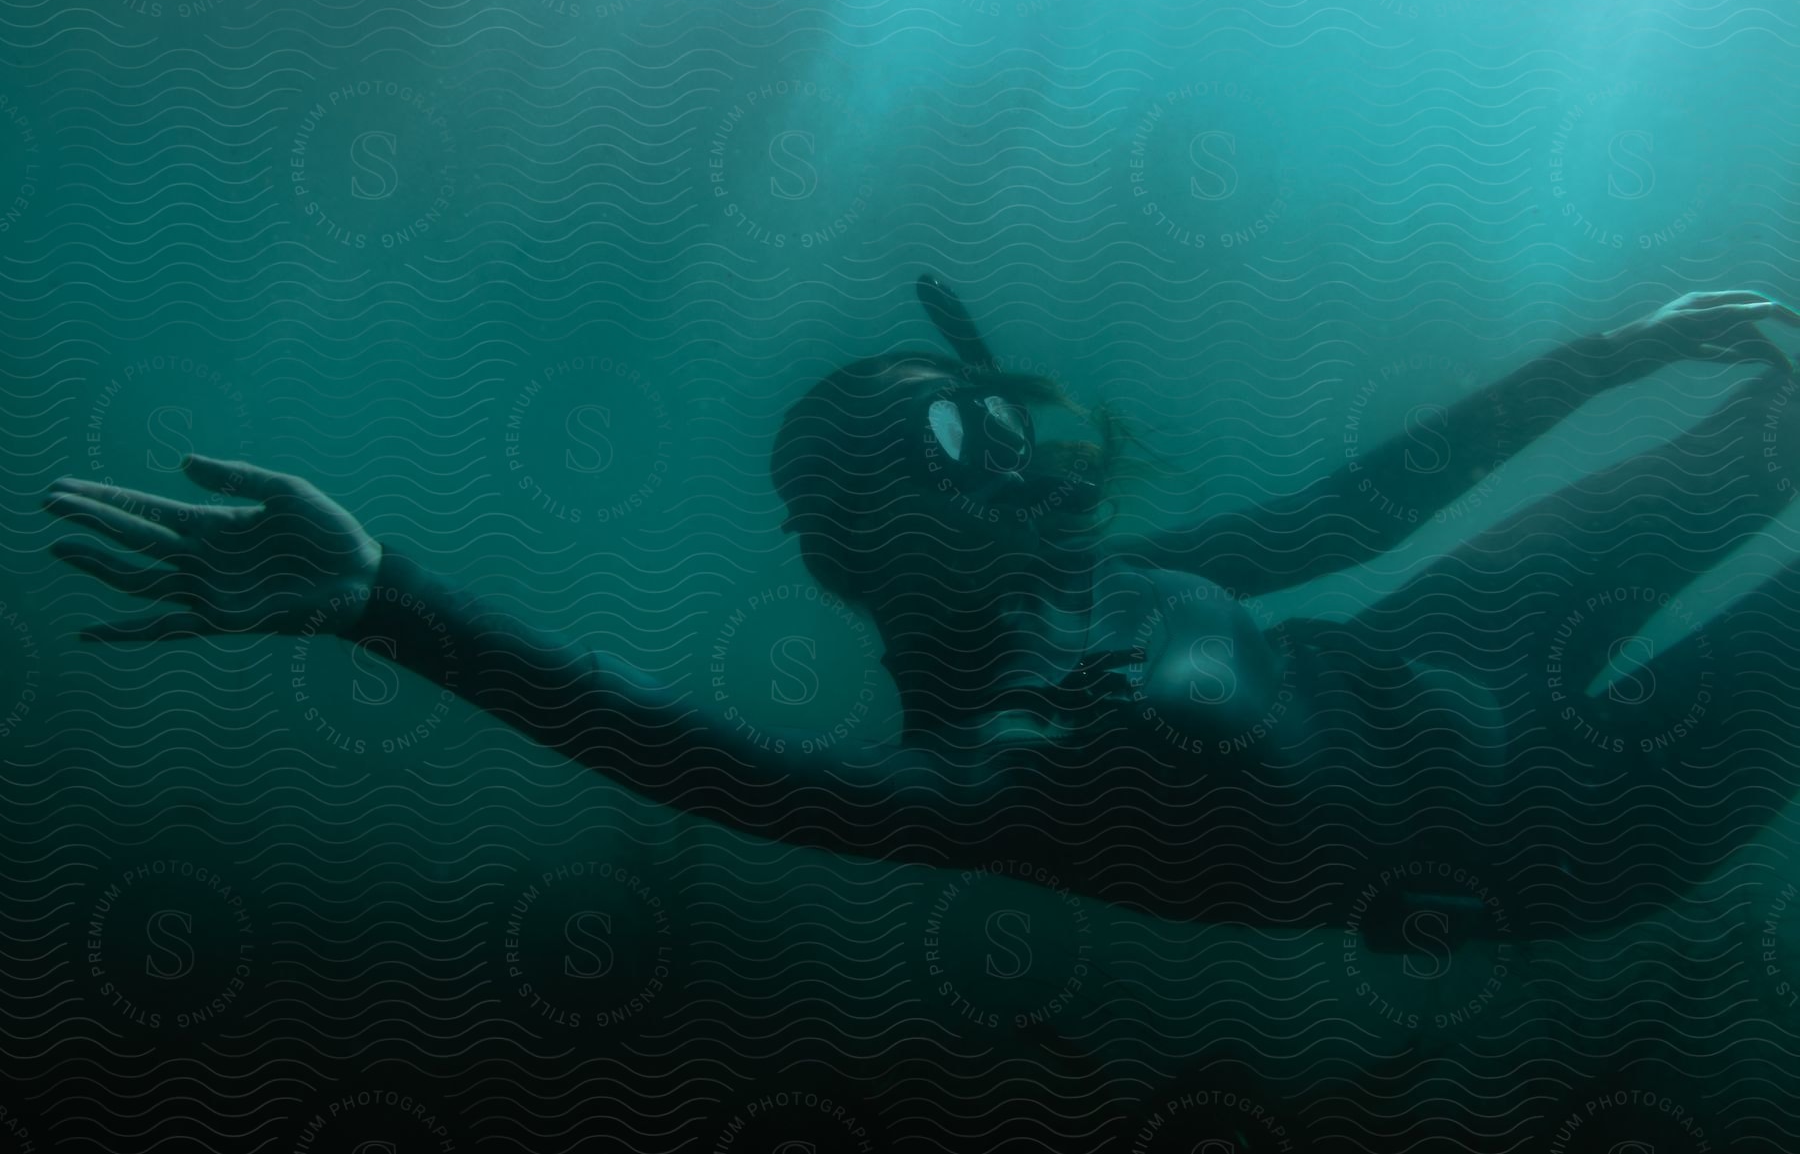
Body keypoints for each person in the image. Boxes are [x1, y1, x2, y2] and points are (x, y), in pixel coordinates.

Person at [41, 278, 1800, 946]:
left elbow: (1362, 506)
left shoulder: (1101, 586)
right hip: (1566, 832)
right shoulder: (1001, 760)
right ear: (857, 540)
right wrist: (391, 604)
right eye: (961, 436)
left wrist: (1610, 355)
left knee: (1775, 412)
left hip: (1449, 650)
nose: (1023, 451)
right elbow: (709, 758)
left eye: (1004, 415)